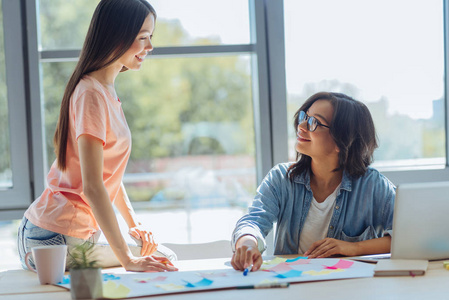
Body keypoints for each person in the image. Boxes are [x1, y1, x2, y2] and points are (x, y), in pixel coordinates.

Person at [17, 0, 177, 272]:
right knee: (165, 258)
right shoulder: (91, 94)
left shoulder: (103, 91)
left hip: (48, 234)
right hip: (54, 238)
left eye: (151, 37)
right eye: (142, 38)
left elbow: (106, 176)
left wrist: (133, 225)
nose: (149, 47)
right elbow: (93, 187)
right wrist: (128, 259)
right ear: (117, 37)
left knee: (158, 256)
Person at [231, 92, 395, 272]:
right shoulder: (281, 178)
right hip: (292, 285)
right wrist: (247, 244)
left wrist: (352, 248)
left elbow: (406, 237)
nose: (301, 126)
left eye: (314, 122)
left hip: (349, 287)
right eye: (304, 116)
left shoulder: (373, 186)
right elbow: (253, 222)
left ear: (342, 141)